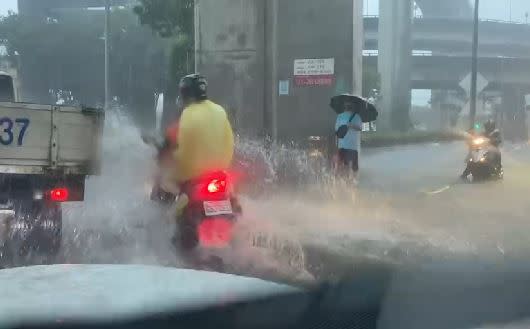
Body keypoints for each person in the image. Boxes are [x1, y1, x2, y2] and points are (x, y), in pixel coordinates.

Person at [335, 99, 363, 177]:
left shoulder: (356, 116)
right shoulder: (341, 116)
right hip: (348, 146)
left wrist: (351, 126)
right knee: (350, 168)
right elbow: (337, 131)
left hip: (348, 146)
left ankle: (348, 182)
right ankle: (349, 182)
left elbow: (336, 130)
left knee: (348, 167)